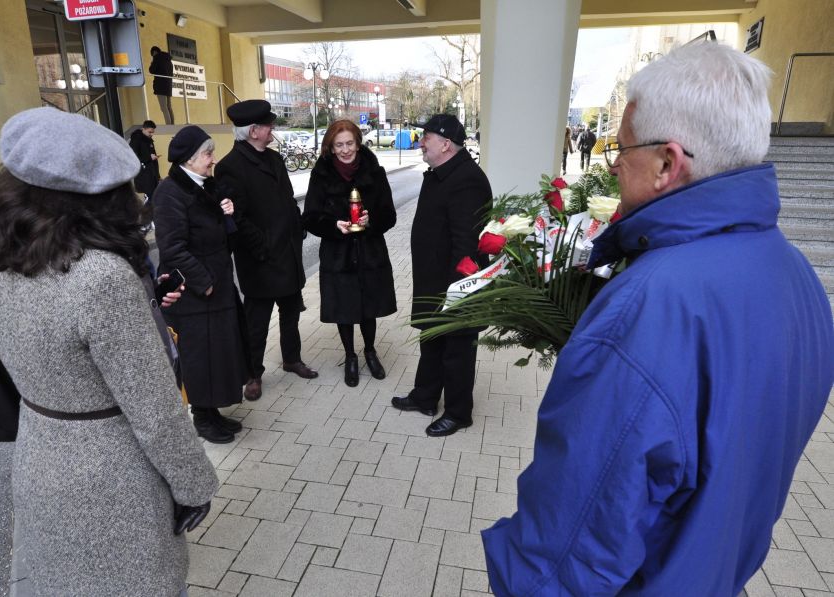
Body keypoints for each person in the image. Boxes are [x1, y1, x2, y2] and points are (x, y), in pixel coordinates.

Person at [482, 42, 834, 596]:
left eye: (622, 150)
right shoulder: (797, 275)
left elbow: (565, 552)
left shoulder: (648, 306)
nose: (615, 164)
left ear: (668, 163)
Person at [0, 107, 218, 596]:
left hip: (40, 453)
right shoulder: (100, 277)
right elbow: (156, 413)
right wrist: (195, 485)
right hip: (113, 475)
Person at [391, 114, 492, 437]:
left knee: (458, 349)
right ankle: (425, 396)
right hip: (433, 278)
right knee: (432, 340)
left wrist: (456, 290)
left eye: (427, 137)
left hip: (456, 282)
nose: (421, 142)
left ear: (446, 144)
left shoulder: (467, 179)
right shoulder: (440, 173)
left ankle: (459, 412)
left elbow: (466, 243)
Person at [152, 125, 252, 444]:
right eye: (208, 154)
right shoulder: (170, 192)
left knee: (218, 353)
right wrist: (204, 282)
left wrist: (228, 216)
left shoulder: (206, 186)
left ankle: (212, 412)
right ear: (190, 159)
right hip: (196, 294)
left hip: (218, 287)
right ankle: (201, 417)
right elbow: (172, 248)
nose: (213, 159)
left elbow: (223, 234)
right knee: (200, 356)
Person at [214, 99, 317, 401]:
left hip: (287, 253)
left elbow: (287, 198)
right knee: (256, 321)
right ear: (253, 131)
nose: (273, 128)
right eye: (268, 124)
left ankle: (292, 359)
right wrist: (263, 246)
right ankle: (252, 374)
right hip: (259, 259)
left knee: (291, 312)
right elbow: (237, 218)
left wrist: (297, 227)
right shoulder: (230, 167)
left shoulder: (273, 159)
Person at [303, 119, 398, 387]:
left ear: (358, 142)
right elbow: (309, 217)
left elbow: (389, 215)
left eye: (349, 144)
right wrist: (333, 225)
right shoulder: (320, 174)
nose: (345, 150)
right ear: (330, 148)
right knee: (344, 308)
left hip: (369, 251)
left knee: (369, 306)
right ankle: (350, 356)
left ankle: (370, 350)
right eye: (339, 145)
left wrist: (371, 222)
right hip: (338, 253)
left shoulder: (374, 171)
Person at [129, 119, 161, 200]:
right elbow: (133, 157)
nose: (151, 134)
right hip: (144, 175)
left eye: (152, 132)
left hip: (152, 174)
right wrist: (149, 158)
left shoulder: (149, 140)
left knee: (155, 197)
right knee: (150, 198)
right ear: (143, 129)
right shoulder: (136, 140)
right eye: (150, 132)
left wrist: (157, 175)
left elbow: (152, 159)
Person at [149, 46, 174, 125]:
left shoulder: (157, 58)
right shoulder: (169, 60)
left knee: (163, 107)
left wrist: (152, 63)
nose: (153, 56)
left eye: (152, 55)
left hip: (160, 85)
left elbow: (151, 70)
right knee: (169, 106)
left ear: (154, 52)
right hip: (168, 85)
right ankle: (172, 124)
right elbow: (171, 73)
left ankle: (168, 125)